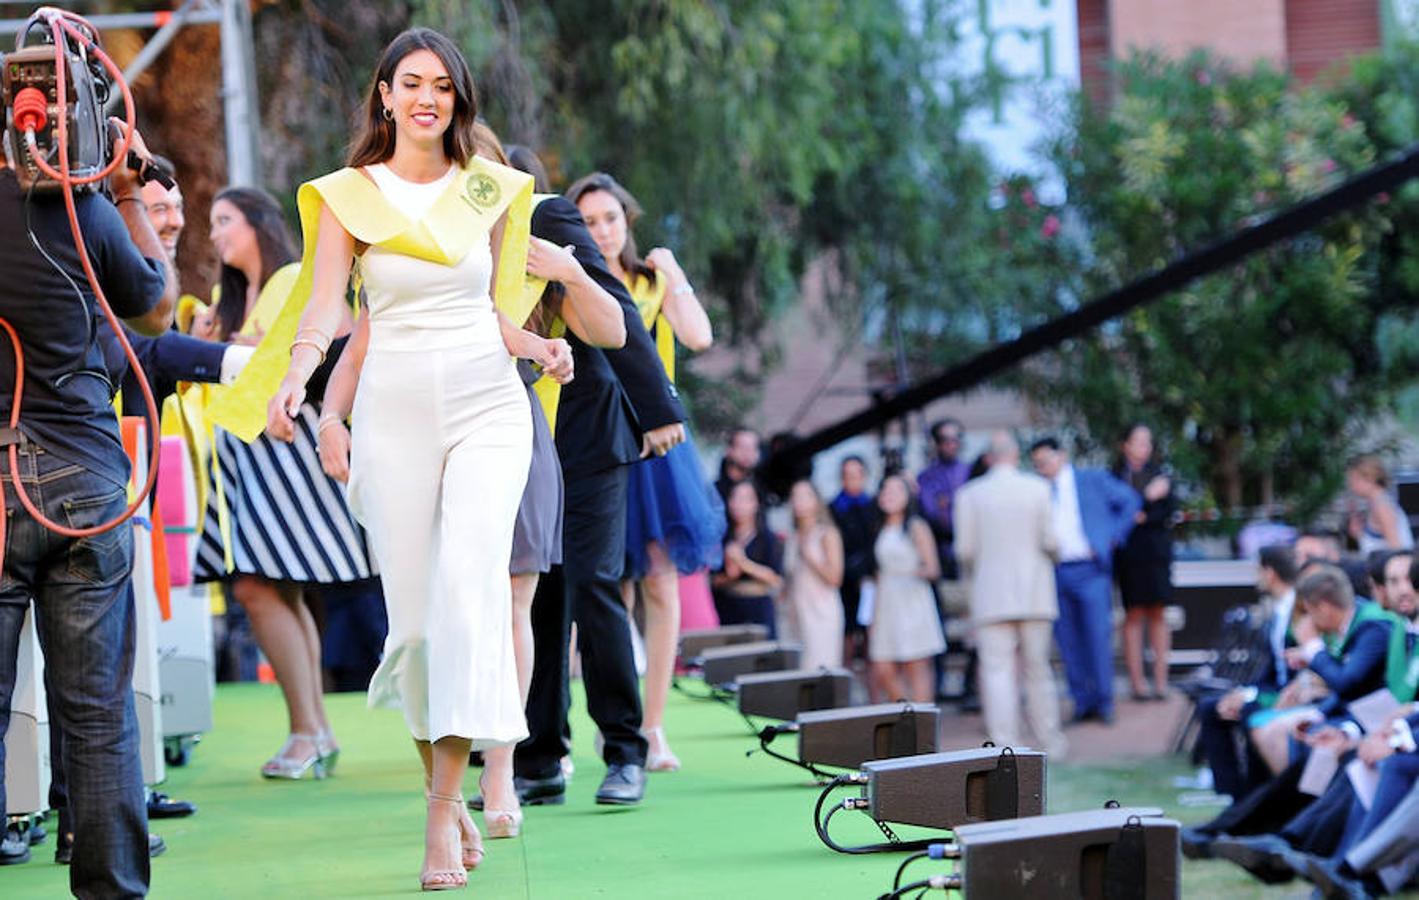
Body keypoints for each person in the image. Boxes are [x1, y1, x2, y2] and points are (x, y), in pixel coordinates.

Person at [256, 29, 571, 888]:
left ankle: (438, 817)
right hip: (393, 414)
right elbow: (327, 309)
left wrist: (539, 350)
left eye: (442, 85)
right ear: (384, 96)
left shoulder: (491, 189)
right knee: (420, 626)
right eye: (411, 84)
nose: (427, 97)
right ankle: (452, 790)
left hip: (486, 408)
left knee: (472, 593)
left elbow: (491, 309)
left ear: (456, 100)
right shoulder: (347, 196)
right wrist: (299, 382)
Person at [317, 125, 623, 839]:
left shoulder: (526, 226)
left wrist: (570, 277)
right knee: (430, 613)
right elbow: (361, 338)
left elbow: (610, 331)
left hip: (501, 427)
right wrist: (329, 412)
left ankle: (498, 769)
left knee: (505, 599)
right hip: (412, 432)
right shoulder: (406, 238)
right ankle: (448, 790)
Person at [0, 117, 175, 895]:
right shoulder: (80, 205)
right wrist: (130, 187)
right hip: (87, 482)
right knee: (99, 712)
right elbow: (154, 302)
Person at [498, 153, 687, 812]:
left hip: (588, 434)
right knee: (535, 597)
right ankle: (539, 756)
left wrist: (658, 406)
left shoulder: (548, 214)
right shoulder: (446, 229)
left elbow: (617, 314)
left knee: (596, 586)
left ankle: (625, 749)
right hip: (512, 434)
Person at [190, 185, 372, 786]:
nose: (215, 233)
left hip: (290, 456)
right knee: (276, 591)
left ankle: (306, 731)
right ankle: (314, 730)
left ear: (258, 224)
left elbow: (342, 347)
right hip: (246, 461)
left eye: (225, 220)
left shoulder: (298, 276)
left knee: (259, 588)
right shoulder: (227, 299)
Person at [567, 171, 723, 773]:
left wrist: (674, 272)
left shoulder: (652, 279)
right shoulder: (572, 284)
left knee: (659, 582)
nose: (601, 230)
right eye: (588, 221)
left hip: (659, 440)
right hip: (601, 440)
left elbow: (699, 337)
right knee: (608, 587)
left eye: (609, 218)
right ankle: (614, 729)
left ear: (626, 220)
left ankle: (653, 727)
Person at [953, 432, 1067, 758]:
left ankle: (1005, 747)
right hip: (1034, 591)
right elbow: (1051, 541)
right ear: (1016, 455)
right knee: (1038, 669)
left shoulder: (970, 494)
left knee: (996, 671)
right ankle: (1050, 742)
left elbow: (964, 550)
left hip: (991, 594)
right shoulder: (1039, 489)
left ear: (989, 458)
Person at [1029, 437, 1140, 724]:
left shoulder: (1091, 479)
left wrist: (1111, 537)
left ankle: (1104, 702)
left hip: (1090, 568)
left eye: (1046, 461)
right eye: (1037, 464)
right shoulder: (1037, 489)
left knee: (1097, 636)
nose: (1043, 468)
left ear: (1061, 456)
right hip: (1054, 571)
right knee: (1067, 640)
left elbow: (1130, 501)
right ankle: (1081, 701)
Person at [1195, 544, 1299, 800]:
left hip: (1291, 694)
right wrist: (1247, 692)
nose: (1256, 578)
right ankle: (1233, 796)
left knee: (1248, 711)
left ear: (1270, 572)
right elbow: (1271, 669)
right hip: (1272, 688)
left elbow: (1296, 671)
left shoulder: (1298, 610)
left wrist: (1252, 699)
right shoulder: (1278, 610)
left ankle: (1254, 798)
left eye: (1258, 571)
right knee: (1212, 708)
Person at [1113, 423, 1176, 701]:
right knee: (1134, 615)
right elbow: (1119, 513)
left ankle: (1161, 682)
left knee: (1158, 614)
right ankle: (1137, 683)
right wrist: (1146, 499)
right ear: (1125, 444)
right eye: (1138, 441)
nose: (1144, 447)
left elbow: (1166, 512)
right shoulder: (1114, 476)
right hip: (1129, 555)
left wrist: (1143, 515)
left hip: (1156, 553)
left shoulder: (1160, 474)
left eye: (1148, 442)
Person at [866, 475, 944, 703]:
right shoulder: (879, 528)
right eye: (885, 490)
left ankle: (923, 724)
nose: (889, 495)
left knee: (916, 665)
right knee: (882, 666)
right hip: (886, 601)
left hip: (912, 599)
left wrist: (909, 572)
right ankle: (905, 712)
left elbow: (933, 568)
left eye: (896, 490)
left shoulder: (916, 526)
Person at [780, 479, 845, 671]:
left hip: (821, 613)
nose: (799, 501)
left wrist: (810, 557)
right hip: (796, 613)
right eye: (795, 496)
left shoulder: (827, 533)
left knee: (819, 669)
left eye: (805, 495)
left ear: (816, 500)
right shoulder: (792, 535)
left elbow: (835, 578)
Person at [713, 481, 784, 636]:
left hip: (758, 610)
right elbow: (713, 580)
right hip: (727, 609)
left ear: (756, 503)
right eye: (735, 498)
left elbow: (776, 579)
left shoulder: (767, 538)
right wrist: (730, 575)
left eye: (745, 499)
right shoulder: (722, 537)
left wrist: (743, 563)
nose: (739, 504)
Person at [831, 455, 877, 665]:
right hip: (843, 579)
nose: (852, 479)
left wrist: (866, 572)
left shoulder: (873, 507)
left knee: (869, 632)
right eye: (847, 475)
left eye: (856, 474)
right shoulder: (834, 508)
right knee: (846, 633)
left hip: (868, 579)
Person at [917, 419, 971, 579]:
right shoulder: (926, 477)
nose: (951, 444)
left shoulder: (969, 471)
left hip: (970, 546)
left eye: (956, 439)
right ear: (936, 443)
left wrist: (949, 503)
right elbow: (931, 512)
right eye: (944, 439)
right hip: (940, 549)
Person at [1348, 455, 1415, 556]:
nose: (1352, 486)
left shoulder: (1382, 506)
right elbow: (1377, 544)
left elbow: (1396, 548)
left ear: (1369, 478)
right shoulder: (1377, 502)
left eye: (1354, 480)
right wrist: (1360, 535)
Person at [716, 427, 761, 504]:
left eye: (753, 447)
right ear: (729, 450)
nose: (748, 453)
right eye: (742, 447)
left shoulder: (761, 488)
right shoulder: (714, 492)